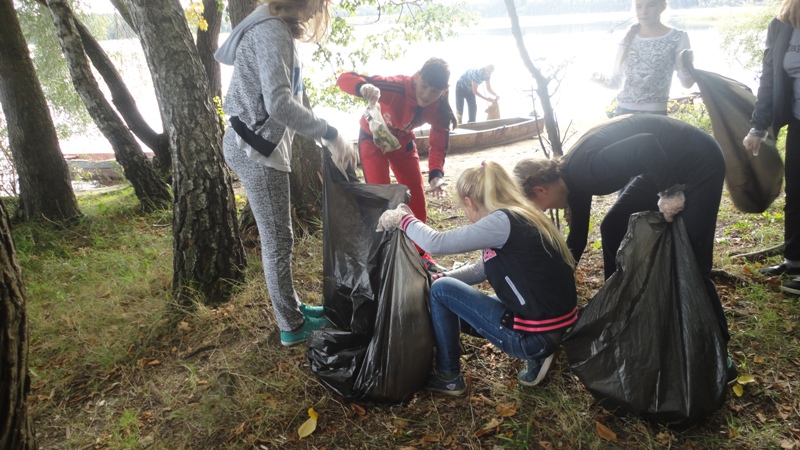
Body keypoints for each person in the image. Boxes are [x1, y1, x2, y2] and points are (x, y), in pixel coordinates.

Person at [513, 114, 731, 347]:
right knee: (613, 225)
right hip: (662, 162)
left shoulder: (585, 170)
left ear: (540, 190)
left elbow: (645, 144)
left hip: (698, 160)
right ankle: (618, 303)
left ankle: (717, 343)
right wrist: (554, 283)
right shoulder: (571, 181)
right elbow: (577, 240)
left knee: (693, 260)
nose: (543, 212)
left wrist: (670, 192)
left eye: (536, 207)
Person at [215, 0, 358, 347]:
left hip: (256, 143)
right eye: (318, 3)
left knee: (282, 235)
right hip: (255, 149)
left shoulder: (271, 27)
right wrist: (331, 133)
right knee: (278, 239)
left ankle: (291, 308)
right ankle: (290, 326)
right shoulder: (270, 30)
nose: (317, 11)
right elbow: (279, 103)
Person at [376, 161, 577, 396]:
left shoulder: (502, 222)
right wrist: (439, 277)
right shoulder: (522, 214)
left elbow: (436, 243)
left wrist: (403, 220)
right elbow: (479, 271)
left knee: (441, 291)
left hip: (533, 336)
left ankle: (449, 376)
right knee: (442, 291)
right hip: (552, 326)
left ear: (469, 201)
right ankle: (540, 353)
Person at [337, 58, 458, 273]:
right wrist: (363, 87)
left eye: (434, 91)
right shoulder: (396, 86)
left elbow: (438, 143)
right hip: (372, 138)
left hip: (402, 141)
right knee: (380, 198)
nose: (426, 95)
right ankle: (384, 256)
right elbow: (344, 78)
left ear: (444, 90)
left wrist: (436, 174)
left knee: (417, 200)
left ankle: (421, 255)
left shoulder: (439, 108)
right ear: (417, 76)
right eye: (424, 86)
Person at [743, 0, 800, 297]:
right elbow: (769, 77)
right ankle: (794, 261)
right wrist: (758, 126)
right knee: (796, 193)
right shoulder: (781, 24)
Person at [591, 0, 694, 116]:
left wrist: (685, 69)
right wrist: (599, 78)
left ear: (662, 7)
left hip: (656, 115)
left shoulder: (678, 37)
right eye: (639, 7)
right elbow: (616, 82)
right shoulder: (626, 39)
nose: (644, 12)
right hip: (623, 113)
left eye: (650, 5)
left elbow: (687, 84)